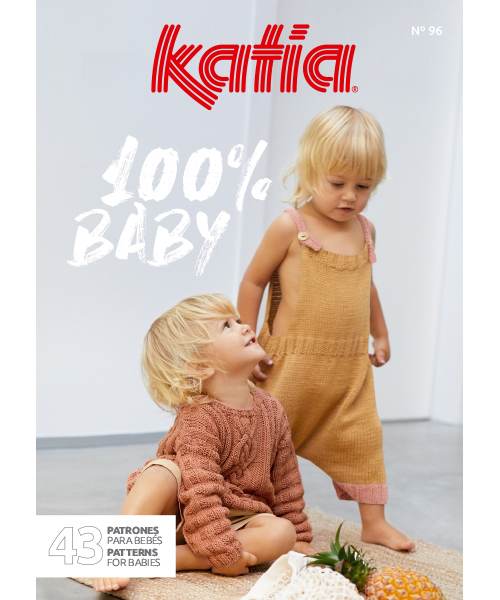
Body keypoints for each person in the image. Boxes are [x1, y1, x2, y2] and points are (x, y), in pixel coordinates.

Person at [237, 105, 415, 552]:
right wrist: (248, 340)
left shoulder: (365, 230)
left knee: (363, 440)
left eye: (363, 186)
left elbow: (365, 285)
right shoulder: (290, 227)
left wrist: (381, 333)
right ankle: (262, 519)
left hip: (348, 367)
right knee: (269, 442)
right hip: (291, 365)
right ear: (310, 171)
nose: (349, 197)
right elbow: (254, 282)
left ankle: (374, 522)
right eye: (337, 184)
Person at [92, 293, 314, 593]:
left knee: (280, 533)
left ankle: (170, 557)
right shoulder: (199, 417)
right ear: (200, 366)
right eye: (227, 326)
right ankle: (118, 550)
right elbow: (200, 491)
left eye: (237, 320)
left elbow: (286, 481)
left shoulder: (272, 409)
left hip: (237, 516)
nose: (244, 326)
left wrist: (298, 535)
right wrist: (224, 553)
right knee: (160, 473)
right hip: (183, 510)